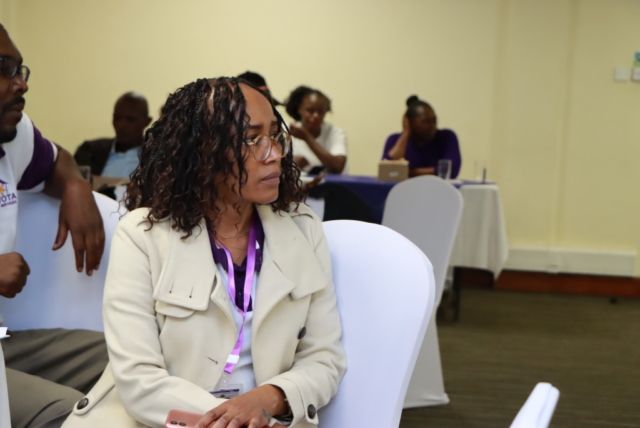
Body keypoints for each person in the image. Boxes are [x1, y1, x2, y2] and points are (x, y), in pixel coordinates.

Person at [62, 77, 346, 428]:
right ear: (203, 151)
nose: (274, 153)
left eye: (275, 135)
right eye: (252, 139)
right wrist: (238, 422)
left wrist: (268, 399)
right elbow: (139, 382)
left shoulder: (304, 230)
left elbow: (324, 358)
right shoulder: (142, 236)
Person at [0, 24, 108, 428]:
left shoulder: (9, 136)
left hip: (4, 341)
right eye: (3, 67)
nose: (21, 84)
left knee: (127, 360)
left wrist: (76, 185)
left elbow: (55, 160)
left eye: (20, 69)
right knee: (73, 412)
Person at [74, 92, 152, 177]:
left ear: (147, 121)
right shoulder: (91, 151)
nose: (121, 125)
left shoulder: (155, 155)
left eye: (130, 119)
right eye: (117, 118)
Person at [382, 95, 461, 178]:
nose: (432, 126)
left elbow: (451, 170)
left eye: (434, 120)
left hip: (435, 186)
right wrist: (406, 133)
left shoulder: (446, 137)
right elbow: (386, 170)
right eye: (426, 122)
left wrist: (407, 171)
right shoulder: (395, 139)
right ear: (410, 123)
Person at [285, 86, 347, 174]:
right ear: (300, 109)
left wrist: (307, 137)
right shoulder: (287, 130)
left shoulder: (336, 133)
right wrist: (290, 162)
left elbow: (337, 167)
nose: (315, 116)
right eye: (310, 111)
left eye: (320, 111)